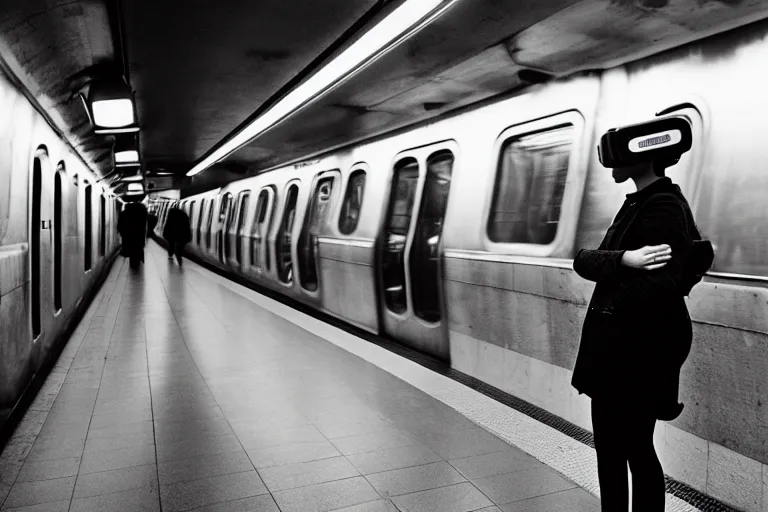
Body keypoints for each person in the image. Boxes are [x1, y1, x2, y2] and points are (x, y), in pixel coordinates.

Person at [570, 115, 713, 512]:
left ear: (644, 158)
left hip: (633, 357)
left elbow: (660, 284)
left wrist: (615, 267)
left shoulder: (662, 205)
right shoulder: (639, 203)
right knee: (618, 450)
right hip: (620, 356)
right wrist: (625, 259)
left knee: (631, 450)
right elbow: (585, 260)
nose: (611, 166)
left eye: (617, 157)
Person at [117, 201, 148, 269]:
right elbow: (144, 225)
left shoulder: (123, 213)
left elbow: (120, 225)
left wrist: (121, 232)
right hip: (139, 236)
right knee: (138, 249)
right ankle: (137, 261)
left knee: (130, 249)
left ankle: (133, 263)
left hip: (128, 236)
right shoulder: (142, 213)